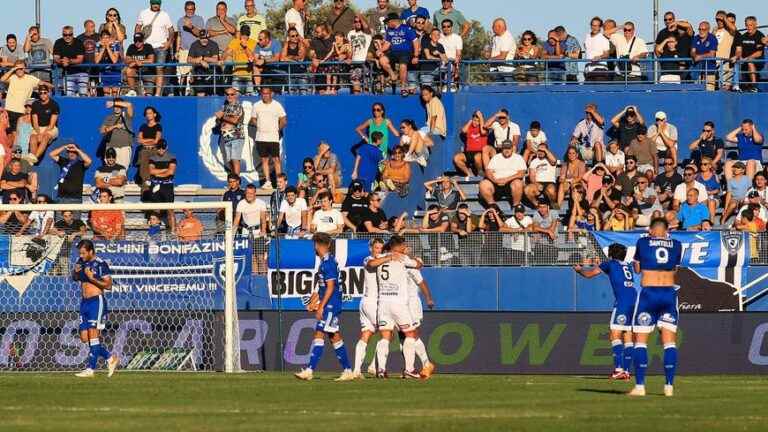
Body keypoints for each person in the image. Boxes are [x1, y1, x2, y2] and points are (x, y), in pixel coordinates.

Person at [629, 217, 682, 397]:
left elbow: (637, 269)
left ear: (651, 230)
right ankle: (668, 386)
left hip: (649, 294)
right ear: (666, 231)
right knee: (669, 343)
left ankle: (640, 386)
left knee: (641, 342)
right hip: (668, 293)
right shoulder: (676, 244)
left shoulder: (642, 242)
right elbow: (674, 270)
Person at [295, 232, 354, 381]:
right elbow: (320, 287)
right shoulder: (324, 262)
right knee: (333, 336)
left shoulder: (328, 263)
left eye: (316, 244)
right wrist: (312, 302)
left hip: (330, 305)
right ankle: (347, 370)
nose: (316, 247)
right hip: (329, 304)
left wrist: (321, 306)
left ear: (320, 245)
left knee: (320, 333)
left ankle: (309, 371)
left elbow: (330, 287)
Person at [574, 243, 636, 380]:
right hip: (633, 300)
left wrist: (579, 270)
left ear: (611, 254)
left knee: (614, 334)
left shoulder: (610, 264)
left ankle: (619, 370)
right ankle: (626, 371)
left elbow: (590, 274)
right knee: (627, 335)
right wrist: (600, 263)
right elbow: (613, 270)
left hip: (622, 302)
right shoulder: (627, 265)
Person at [365, 235, 423, 378]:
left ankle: (381, 370)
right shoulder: (401, 257)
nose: (404, 248)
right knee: (410, 334)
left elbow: (371, 264)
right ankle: (409, 369)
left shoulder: (380, 257)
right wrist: (416, 259)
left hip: (383, 304)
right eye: (403, 245)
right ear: (396, 246)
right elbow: (418, 265)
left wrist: (388, 257)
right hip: (398, 303)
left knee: (385, 337)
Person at [72, 239, 119, 378]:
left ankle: (90, 369)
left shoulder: (100, 264)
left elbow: (108, 285)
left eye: (83, 253)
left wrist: (92, 278)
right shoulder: (81, 262)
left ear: (91, 251)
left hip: (96, 302)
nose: (81, 256)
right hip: (84, 302)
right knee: (84, 337)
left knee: (93, 334)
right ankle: (111, 358)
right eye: (79, 253)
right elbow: (76, 278)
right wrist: (75, 273)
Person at [1, 61, 53, 138]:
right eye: (17, 68)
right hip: (8, 110)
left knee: (17, 135)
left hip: (21, 111)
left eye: (21, 68)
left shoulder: (31, 79)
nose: (19, 70)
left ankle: (17, 149)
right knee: (8, 135)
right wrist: (12, 69)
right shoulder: (12, 77)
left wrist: (50, 88)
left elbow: (46, 85)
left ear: (24, 69)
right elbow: (2, 79)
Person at [134, 0, 175, 96]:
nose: (156, 5)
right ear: (150, 3)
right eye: (154, 3)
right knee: (148, 70)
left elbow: (171, 30)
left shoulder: (165, 15)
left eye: (158, 4)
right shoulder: (143, 13)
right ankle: (149, 93)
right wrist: (138, 41)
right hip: (147, 47)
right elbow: (138, 27)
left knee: (159, 68)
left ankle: (157, 94)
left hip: (161, 47)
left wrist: (169, 43)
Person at [250, 87, 287, 190]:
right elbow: (253, 119)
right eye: (263, 94)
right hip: (261, 137)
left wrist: (276, 129)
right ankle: (268, 182)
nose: (265, 95)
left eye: (267, 93)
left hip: (273, 138)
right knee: (264, 160)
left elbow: (283, 120)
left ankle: (280, 182)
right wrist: (259, 126)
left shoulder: (277, 105)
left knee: (276, 159)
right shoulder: (256, 105)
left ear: (272, 94)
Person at [381, 13, 420, 95]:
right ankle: (393, 75)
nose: (387, 24)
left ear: (392, 21)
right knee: (382, 60)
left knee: (403, 66)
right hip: (393, 52)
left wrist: (416, 55)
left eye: (387, 22)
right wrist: (380, 50)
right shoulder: (389, 30)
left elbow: (415, 41)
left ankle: (403, 87)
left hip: (405, 52)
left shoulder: (406, 28)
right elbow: (387, 43)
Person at [176, 1, 206, 95]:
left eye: (192, 9)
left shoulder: (199, 19)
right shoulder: (180, 20)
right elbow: (179, 36)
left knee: (193, 73)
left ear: (194, 9)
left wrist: (191, 27)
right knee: (182, 74)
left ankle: (191, 92)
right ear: (185, 9)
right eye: (188, 9)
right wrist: (177, 51)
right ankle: (181, 92)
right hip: (183, 50)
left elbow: (201, 34)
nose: (190, 11)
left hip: (196, 50)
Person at [147, 139, 177, 231]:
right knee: (156, 210)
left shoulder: (172, 158)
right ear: (156, 148)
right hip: (155, 186)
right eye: (159, 148)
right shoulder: (152, 158)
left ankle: (173, 232)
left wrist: (158, 173)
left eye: (163, 148)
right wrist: (165, 170)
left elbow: (171, 172)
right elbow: (151, 171)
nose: (161, 150)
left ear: (166, 147)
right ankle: (154, 233)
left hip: (167, 186)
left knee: (170, 210)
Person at [215, 87, 245, 175]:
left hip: (237, 136)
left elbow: (235, 120)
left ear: (236, 95)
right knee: (230, 161)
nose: (229, 96)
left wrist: (222, 116)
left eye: (232, 94)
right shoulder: (225, 106)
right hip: (226, 137)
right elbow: (220, 121)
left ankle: (237, 182)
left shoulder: (238, 105)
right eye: (227, 94)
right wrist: (218, 119)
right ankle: (233, 181)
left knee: (235, 160)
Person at [29, 85, 60, 164]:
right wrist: (39, 133)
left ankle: (34, 158)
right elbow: (35, 123)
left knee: (45, 137)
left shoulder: (54, 105)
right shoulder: (35, 104)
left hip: (51, 128)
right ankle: (32, 158)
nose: (43, 95)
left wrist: (43, 134)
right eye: (41, 93)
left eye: (45, 93)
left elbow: (52, 124)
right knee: (32, 137)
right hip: (38, 128)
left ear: (48, 93)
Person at [53, 25, 87, 97]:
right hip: (67, 73)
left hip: (81, 72)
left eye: (70, 34)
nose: (67, 36)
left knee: (83, 95)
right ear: (62, 35)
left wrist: (69, 61)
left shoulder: (79, 42)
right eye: (65, 35)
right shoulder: (58, 42)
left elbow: (80, 59)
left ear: (73, 34)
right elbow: (55, 58)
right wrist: (62, 61)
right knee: (69, 96)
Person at [100, 99, 133, 170]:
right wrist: (115, 126)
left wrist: (114, 103)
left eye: (119, 106)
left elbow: (129, 105)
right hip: (111, 146)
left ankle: (120, 181)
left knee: (122, 170)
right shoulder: (109, 117)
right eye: (115, 106)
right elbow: (102, 131)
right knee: (111, 170)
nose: (117, 108)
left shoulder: (127, 116)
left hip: (124, 147)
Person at [188, 30, 222, 96]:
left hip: (212, 74)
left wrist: (203, 58)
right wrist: (201, 61)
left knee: (215, 94)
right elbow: (189, 60)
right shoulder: (194, 45)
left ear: (208, 37)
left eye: (206, 38)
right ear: (199, 38)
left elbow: (215, 60)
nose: (204, 40)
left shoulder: (213, 44)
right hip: (198, 74)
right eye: (202, 38)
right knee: (200, 94)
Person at [224, 26, 257, 95]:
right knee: (236, 96)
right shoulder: (235, 41)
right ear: (240, 34)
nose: (245, 36)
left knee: (249, 98)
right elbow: (225, 53)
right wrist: (225, 57)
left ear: (249, 34)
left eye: (247, 34)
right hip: (237, 74)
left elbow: (252, 57)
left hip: (249, 75)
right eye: (243, 34)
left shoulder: (253, 42)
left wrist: (245, 47)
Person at [736, 16, 766, 93]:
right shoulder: (743, 36)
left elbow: (759, 53)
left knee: (750, 61)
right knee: (737, 62)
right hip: (745, 61)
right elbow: (739, 50)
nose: (748, 27)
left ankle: (754, 86)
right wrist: (738, 56)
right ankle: (738, 86)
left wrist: (747, 58)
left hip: (758, 61)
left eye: (750, 25)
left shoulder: (760, 36)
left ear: (755, 25)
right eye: (747, 25)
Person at [136, 106, 163, 189]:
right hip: (144, 152)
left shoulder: (158, 126)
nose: (148, 115)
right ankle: (145, 193)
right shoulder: (143, 126)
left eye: (150, 113)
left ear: (154, 114)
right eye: (146, 114)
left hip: (154, 151)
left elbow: (156, 141)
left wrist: (145, 140)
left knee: (153, 172)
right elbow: (139, 140)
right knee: (144, 174)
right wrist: (150, 140)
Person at [455, 110, 486, 177]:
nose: (476, 122)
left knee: (477, 157)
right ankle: (469, 174)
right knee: (456, 158)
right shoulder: (469, 127)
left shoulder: (484, 128)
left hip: (479, 153)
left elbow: (483, 132)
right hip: (469, 152)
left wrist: (480, 117)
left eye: (478, 121)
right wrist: (470, 121)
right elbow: (463, 131)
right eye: (474, 120)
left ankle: (480, 174)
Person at [95, 29, 124, 97]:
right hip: (104, 72)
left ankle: (116, 106)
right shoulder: (98, 45)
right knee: (106, 94)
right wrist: (103, 48)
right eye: (103, 38)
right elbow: (96, 61)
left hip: (115, 72)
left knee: (115, 93)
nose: (105, 40)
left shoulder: (115, 44)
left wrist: (107, 47)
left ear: (110, 38)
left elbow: (114, 60)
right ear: (100, 38)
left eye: (107, 37)